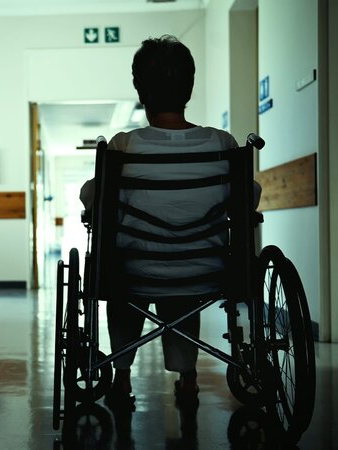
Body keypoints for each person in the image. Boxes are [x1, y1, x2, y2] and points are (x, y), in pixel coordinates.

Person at [79, 35, 261, 410]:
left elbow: (92, 198)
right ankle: (188, 378)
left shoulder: (124, 146)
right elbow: (250, 199)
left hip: (135, 270)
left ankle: (122, 374)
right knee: (182, 292)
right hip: (205, 270)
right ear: (189, 88)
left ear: (140, 90)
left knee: (123, 287)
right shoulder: (222, 143)